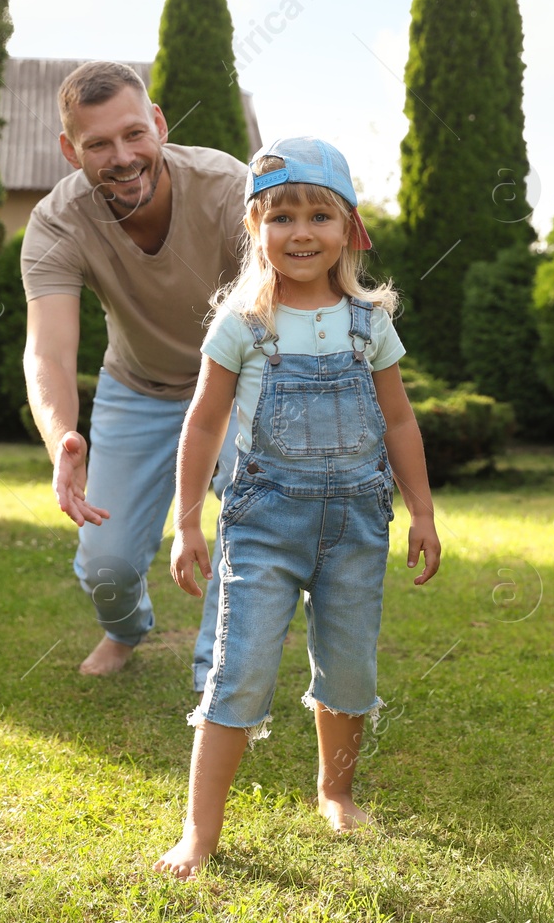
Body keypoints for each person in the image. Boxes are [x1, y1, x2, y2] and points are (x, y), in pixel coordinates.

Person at [153, 136, 442, 879]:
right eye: (282, 216)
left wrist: (423, 512)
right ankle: (198, 830)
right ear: (255, 229)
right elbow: (205, 421)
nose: (302, 232)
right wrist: (187, 520)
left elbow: (401, 421)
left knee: (348, 664)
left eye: (319, 214)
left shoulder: (369, 322)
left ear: (349, 229)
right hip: (262, 524)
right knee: (237, 668)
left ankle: (335, 791)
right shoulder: (243, 325)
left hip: (355, 524)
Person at [20, 61, 248, 684]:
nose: (122, 157)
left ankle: (219, 672)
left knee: (248, 522)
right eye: (98, 144)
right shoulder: (56, 223)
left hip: (238, 385)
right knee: (107, 565)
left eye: (133, 135)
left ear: (158, 124)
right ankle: (124, 631)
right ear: (72, 151)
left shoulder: (229, 188)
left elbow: (285, 302)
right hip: (138, 388)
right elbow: (48, 350)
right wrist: (63, 437)